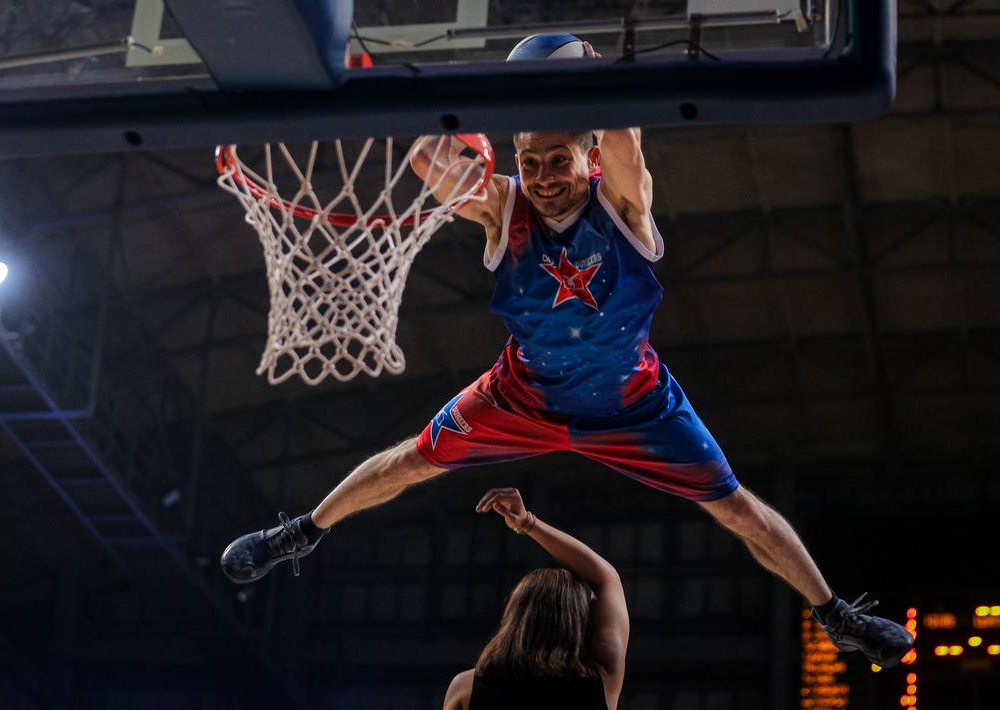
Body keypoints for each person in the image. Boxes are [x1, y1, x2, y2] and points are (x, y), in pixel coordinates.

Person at [220, 40, 913, 669]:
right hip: (521, 394)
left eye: (558, 159)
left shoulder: (622, 204)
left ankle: (834, 615)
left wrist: (579, 64)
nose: (544, 175)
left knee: (735, 509)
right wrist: (438, 94)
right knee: (411, 461)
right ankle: (300, 534)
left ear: (584, 157)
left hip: (634, 404)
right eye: (530, 162)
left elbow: (622, 136)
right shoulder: (501, 207)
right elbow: (429, 161)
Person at [442, 487, 627, 710]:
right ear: (577, 621)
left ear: (516, 616)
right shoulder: (602, 679)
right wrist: (528, 523)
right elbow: (607, 578)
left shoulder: (466, 688)